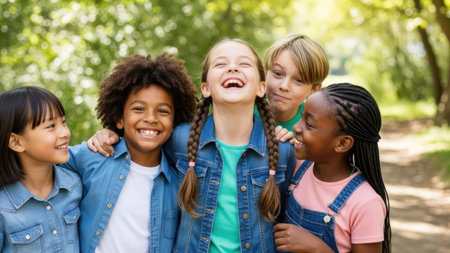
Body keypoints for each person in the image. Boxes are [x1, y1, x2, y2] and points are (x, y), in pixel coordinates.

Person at [88, 39, 302, 252]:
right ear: (206, 88)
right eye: (220, 64)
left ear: (261, 88)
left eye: (244, 64)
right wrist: (111, 134)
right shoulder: (180, 139)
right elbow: (142, 143)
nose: (232, 67)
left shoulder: (282, 150)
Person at [60, 53, 197, 252]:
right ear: (119, 119)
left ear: (174, 122)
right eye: (139, 109)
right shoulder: (93, 155)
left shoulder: (180, 179)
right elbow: (44, 162)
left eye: (163, 111)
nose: (151, 118)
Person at [274, 83, 391, 253]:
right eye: (301, 117)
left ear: (342, 143)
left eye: (309, 124)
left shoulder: (366, 203)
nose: (296, 127)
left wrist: (317, 248)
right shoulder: (297, 167)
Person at [0, 86, 82, 252]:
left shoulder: (75, 185)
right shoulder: (3, 207)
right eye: (51, 126)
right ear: (16, 142)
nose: (65, 133)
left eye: (63, 122)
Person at [262, 34, 329, 140]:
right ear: (265, 73)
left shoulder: (316, 128)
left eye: (299, 80)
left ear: (314, 90)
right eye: (278, 74)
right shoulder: (244, 112)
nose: (284, 86)